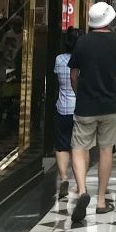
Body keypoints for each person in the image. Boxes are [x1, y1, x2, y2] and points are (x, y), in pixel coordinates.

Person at [69, 2, 116, 225]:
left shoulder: (82, 41)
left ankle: (82, 190)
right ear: (110, 20)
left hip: (85, 104)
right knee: (106, 150)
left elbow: (73, 74)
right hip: (110, 104)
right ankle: (102, 201)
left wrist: (79, 92)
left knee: (78, 147)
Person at [52, 27, 79, 199]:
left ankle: (63, 178)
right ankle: (79, 181)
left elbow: (57, 78)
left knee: (62, 145)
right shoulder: (83, 59)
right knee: (79, 146)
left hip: (62, 107)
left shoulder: (59, 59)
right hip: (79, 108)